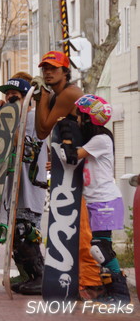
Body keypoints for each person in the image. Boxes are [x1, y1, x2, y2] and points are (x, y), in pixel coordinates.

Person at [32, 50, 103, 299]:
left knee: (81, 228)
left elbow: (42, 129)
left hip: (87, 171)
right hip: (73, 168)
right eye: (44, 68)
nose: (47, 72)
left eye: (53, 68)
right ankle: (88, 279)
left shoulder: (69, 93)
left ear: (65, 72)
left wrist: (42, 97)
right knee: (72, 226)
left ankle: (93, 282)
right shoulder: (58, 94)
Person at [0, 74, 47, 295]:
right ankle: (27, 275)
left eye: (15, 96)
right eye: (7, 95)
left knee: (25, 230)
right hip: (8, 188)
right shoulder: (3, 117)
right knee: (14, 234)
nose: (10, 98)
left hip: (29, 186)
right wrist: (0, 119)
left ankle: (40, 276)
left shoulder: (36, 118)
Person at [69, 94, 130, 304]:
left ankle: (120, 293)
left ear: (88, 119)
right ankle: (111, 289)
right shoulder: (95, 141)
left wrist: (65, 141)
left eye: (79, 117)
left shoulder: (100, 139)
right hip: (97, 202)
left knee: (99, 248)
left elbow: (73, 155)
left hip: (105, 201)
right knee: (101, 247)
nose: (77, 121)